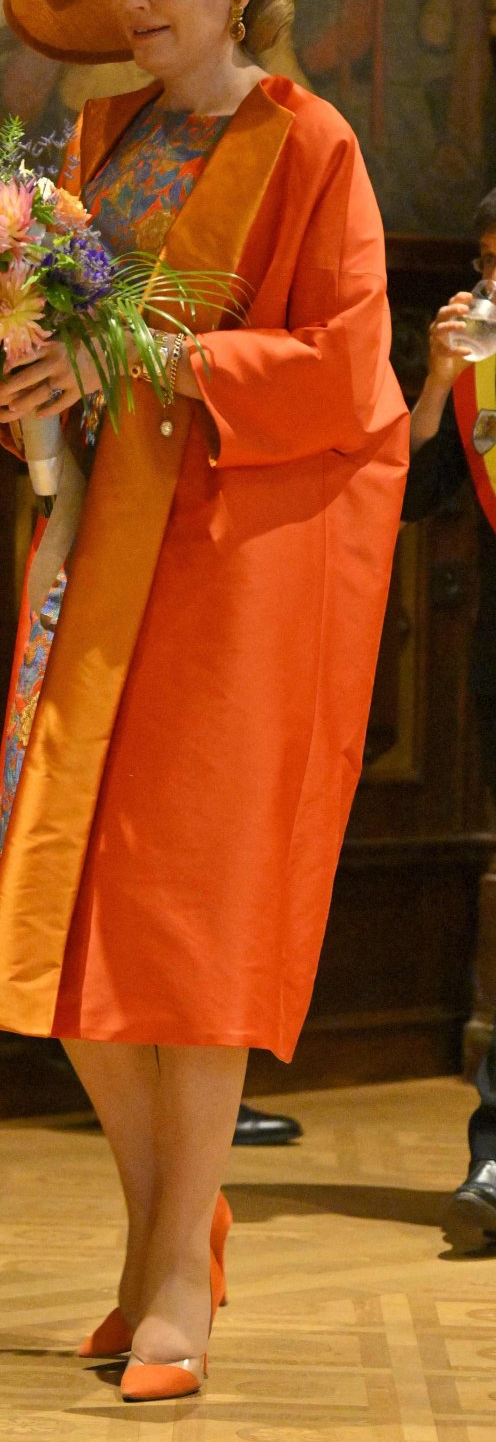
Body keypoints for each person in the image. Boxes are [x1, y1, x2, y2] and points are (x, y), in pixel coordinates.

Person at [0, 0, 408, 1400]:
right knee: (63, 907)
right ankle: (169, 1221)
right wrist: (16, 371)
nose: (135, 0)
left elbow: (347, 369)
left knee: (185, 915)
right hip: (95, 548)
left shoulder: (310, 143)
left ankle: (167, 1285)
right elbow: (59, 342)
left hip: (233, 564)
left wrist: (143, 357)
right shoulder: (95, 141)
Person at [402, 190, 496, 1253]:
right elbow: (412, 490)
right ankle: (495, 1160)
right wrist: (435, 379)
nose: (488, 285)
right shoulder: (474, 367)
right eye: (484, 263)